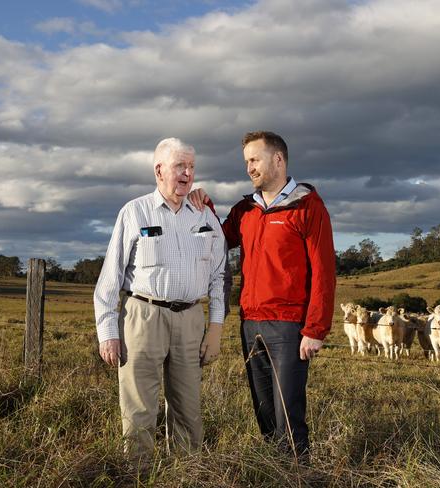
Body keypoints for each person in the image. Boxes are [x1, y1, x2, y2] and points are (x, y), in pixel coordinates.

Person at [189, 131, 336, 458]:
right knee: (264, 409)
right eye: (246, 162)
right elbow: (219, 241)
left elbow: (324, 272)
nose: (249, 168)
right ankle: (274, 469)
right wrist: (205, 205)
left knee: (289, 413)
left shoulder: (308, 207)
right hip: (250, 323)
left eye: (255, 160)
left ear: (278, 160)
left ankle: (298, 475)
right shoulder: (246, 210)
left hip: (289, 327)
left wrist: (315, 330)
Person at [94, 137, 228, 466]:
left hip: (190, 318)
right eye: (180, 166)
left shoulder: (205, 217)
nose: (187, 174)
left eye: (192, 168)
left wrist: (215, 328)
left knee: (188, 407)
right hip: (143, 316)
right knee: (140, 408)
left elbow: (219, 276)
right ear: (158, 170)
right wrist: (107, 331)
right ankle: (137, 475)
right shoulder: (134, 212)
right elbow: (110, 277)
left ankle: (184, 475)